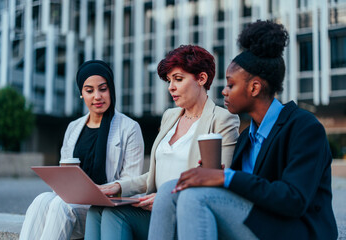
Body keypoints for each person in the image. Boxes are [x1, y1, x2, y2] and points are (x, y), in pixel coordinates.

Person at [149, 20, 338, 240]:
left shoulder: (304, 127)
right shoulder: (247, 137)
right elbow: (242, 192)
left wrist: (226, 177)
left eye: (231, 84)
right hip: (257, 222)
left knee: (194, 197)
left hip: (296, 230)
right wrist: (213, 173)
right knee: (170, 190)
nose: (224, 91)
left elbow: (293, 199)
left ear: (254, 87)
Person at [84, 45, 240, 240]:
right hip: (153, 208)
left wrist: (166, 196)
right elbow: (155, 176)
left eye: (178, 79)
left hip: (183, 211)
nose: (171, 87)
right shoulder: (170, 116)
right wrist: (118, 186)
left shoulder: (223, 119)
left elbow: (219, 178)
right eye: (169, 81)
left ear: (201, 79)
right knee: (97, 209)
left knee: (114, 214)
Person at [19, 60, 145, 240]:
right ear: (81, 94)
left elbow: (133, 184)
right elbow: (64, 174)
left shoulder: (130, 128)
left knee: (61, 205)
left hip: (105, 210)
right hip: (73, 203)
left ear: (111, 90)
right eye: (89, 90)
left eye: (103, 88)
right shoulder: (73, 127)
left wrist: (100, 191)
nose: (97, 96)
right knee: (41, 200)